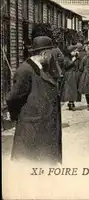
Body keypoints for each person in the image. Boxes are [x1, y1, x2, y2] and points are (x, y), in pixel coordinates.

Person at [6, 36, 63, 164]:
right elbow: (13, 98)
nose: (53, 56)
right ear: (44, 54)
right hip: (32, 128)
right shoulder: (25, 70)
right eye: (51, 53)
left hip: (43, 127)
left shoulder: (42, 68)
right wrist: (19, 117)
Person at [61, 45, 81, 111]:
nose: (75, 52)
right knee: (70, 90)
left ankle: (72, 102)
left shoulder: (77, 58)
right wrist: (72, 61)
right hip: (69, 75)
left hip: (75, 75)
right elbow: (65, 66)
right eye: (74, 51)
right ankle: (71, 103)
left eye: (76, 51)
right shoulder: (66, 58)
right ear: (70, 52)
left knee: (74, 89)